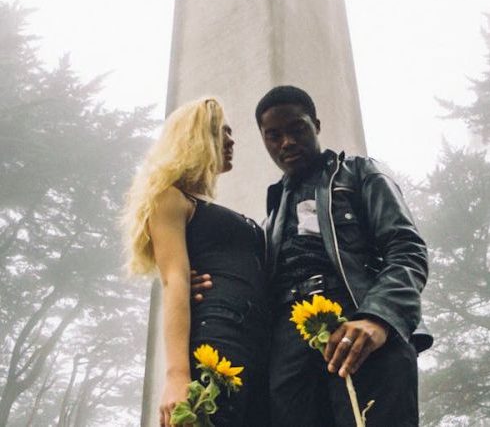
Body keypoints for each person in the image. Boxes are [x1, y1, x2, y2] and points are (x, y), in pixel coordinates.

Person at [193, 85, 432, 426]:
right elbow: (249, 280)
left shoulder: (361, 174)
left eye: (296, 129)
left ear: (316, 126)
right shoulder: (271, 218)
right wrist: (202, 286)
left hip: (357, 319)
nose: (286, 142)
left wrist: (378, 319)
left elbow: (407, 250)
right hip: (286, 347)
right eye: (273, 135)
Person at [122, 98, 269, 427]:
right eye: (221, 132)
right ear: (194, 137)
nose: (231, 141)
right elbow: (175, 280)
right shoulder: (169, 197)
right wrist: (176, 376)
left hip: (261, 341)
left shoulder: (203, 204)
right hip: (219, 338)